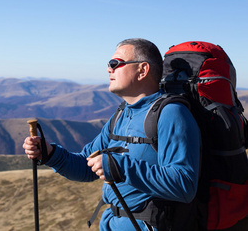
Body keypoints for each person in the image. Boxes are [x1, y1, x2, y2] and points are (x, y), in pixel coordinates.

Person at [23, 38, 201, 231]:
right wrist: (49, 154)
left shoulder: (171, 114)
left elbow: (184, 185)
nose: (109, 69)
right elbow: (86, 165)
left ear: (142, 70)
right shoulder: (122, 114)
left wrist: (120, 167)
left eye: (115, 63)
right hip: (112, 223)